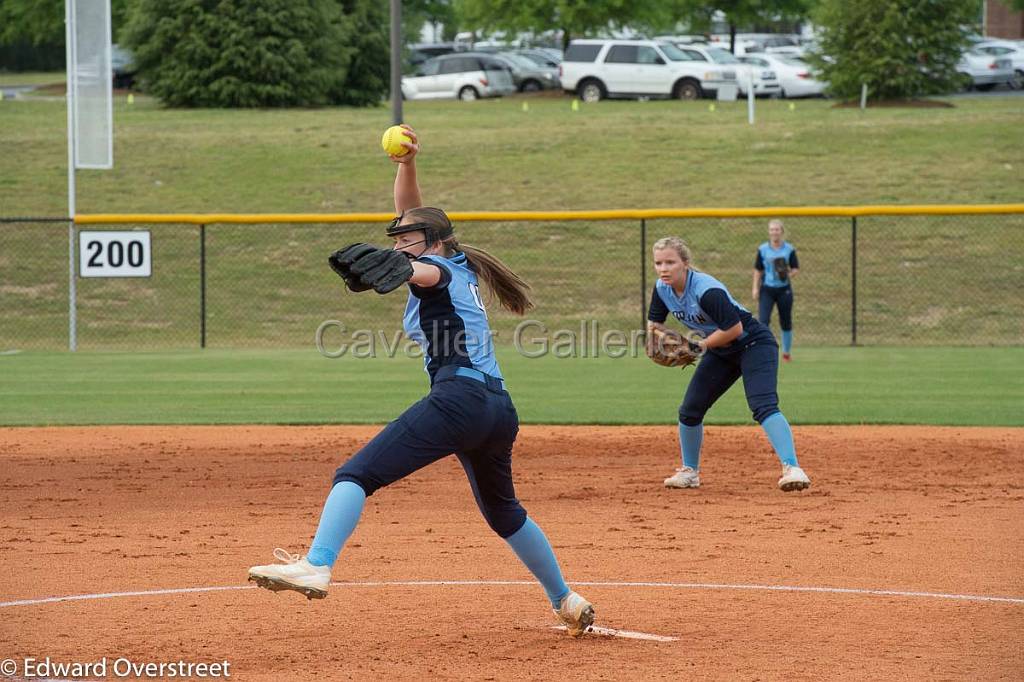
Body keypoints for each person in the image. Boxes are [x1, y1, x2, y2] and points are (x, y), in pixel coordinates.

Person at [247, 125, 595, 637]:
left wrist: (406, 268)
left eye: (405, 240)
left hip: (459, 399)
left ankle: (317, 564)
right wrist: (406, 165)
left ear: (433, 243)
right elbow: (417, 222)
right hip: (497, 409)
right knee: (504, 512)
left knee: (355, 475)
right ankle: (564, 598)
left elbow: (424, 271)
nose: (398, 245)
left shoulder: (437, 270)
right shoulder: (459, 263)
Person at [647, 236, 811, 492]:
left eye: (670, 262)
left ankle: (792, 468)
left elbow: (734, 329)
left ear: (685, 264)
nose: (664, 268)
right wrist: (660, 339)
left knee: (763, 405)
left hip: (753, 343)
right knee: (690, 410)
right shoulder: (662, 289)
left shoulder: (706, 290)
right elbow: (654, 325)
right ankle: (690, 472)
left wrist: (697, 346)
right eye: (659, 263)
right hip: (720, 350)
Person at [752, 219, 799, 361]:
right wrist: (755, 288)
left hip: (784, 290)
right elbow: (758, 270)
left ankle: (786, 353)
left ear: (781, 231)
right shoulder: (763, 249)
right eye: (772, 229)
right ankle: (764, 350)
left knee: (785, 321)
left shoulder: (789, 249)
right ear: (769, 232)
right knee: (763, 321)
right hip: (767, 289)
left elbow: (796, 268)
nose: (774, 232)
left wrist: (787, 274)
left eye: (777, 229)